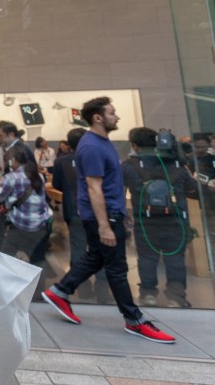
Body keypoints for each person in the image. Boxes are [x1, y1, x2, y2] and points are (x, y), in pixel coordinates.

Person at [41, 97, 175, 343]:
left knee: (96, 257)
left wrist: (119, 216)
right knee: (117, 268)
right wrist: (105, 225)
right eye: (112, 113)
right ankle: (134, 320)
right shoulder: (91, 146)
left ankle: (60, 291)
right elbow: (94, 187)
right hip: (101, 216)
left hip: (110, 214)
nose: (117, 117)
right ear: (98, 117)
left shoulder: (103, 143)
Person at [122, 127, 197, 308]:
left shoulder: (128, 166)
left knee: (147, 258)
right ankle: (176, 297)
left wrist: (123, 215)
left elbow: (118, 192)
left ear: (134, 145)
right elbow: (193, 188)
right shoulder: (175, 164)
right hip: (175, 220)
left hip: (145, 221)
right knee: (175, 259)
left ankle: (148, 294)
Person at [51, 127, 110, 303]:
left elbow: (57, 184)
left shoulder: (61, 162)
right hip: (97, 211)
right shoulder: (97, 158)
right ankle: (102, 287)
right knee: (100, 247)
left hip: (74, 209)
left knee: (77, 246)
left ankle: (80, 286)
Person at [0, 147, 52, 276]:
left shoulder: (12, 177)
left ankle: (9, 285)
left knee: (7, 258)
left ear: (13, 160)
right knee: (38, 260)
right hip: (41, 225)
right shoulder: (39, 176)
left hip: (21, 226)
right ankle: (38, 293)